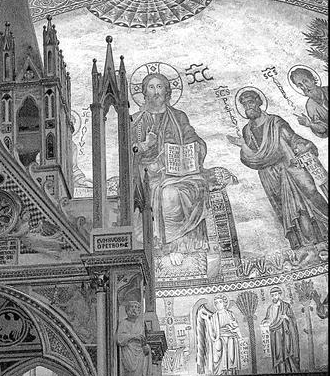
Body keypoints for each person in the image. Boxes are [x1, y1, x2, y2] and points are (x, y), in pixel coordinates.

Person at [228, 89, 328, 250]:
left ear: (259, 102)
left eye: (251, 102)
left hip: (289, 168)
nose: (248, 106)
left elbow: (292, 138)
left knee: (308, 196)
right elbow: (252, 158)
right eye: (244, 104)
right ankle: (304, 245)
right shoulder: (247, 131)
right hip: (269, 175)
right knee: (287, 209)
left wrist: (301, 145)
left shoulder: (275, 122)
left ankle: (323, 235)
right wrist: (243, 146)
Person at [131, 72, 210, 265]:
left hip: (180, 172)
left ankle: (179, 245)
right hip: (148, 172)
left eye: (160, 87)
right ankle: (166, 247)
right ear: (144, 92)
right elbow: (128, 151)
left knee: (181, 190)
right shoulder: (135, 119)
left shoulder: (178, 116)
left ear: (167, 91)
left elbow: (193, 138)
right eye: (151, 87)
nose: (156, 91)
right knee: (168, 194)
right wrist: (144, 146)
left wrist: (195, 149)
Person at [196, 294, 242, 376]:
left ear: (224, 303)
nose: (218, 304)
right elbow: (212, 330)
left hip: (230, 337)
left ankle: (231, 373)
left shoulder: (230, 314)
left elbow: (236, 326)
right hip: (219, 337)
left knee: (231, 355)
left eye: (220, 302)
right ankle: (221, 373)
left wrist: (232, 328)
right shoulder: (214, 316)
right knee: (218, 351)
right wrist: (207, 320)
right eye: (216, 302)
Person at [116, 298, 150, 376]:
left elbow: (144, 339)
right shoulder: (124, 323)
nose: (135, 310)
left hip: (139, 352)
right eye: (132, 307)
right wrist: (133, 336)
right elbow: (119, 338)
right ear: (127, 310)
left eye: (137, 308)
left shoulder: (140, 325)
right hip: (128, 350)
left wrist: (145, 347)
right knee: (130, 370)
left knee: (137, 373)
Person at [262, 286, 301, 373]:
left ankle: (290, 371)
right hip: (275, 334)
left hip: (285, 333)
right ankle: (280, 371)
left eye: (275, 295)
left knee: (287, 351)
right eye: (272, 295)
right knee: (278, 354)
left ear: (279, 295)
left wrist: (286, 317)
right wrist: (265, 321)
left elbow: (293, 320)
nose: (274, 297)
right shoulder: (270, 308)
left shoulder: (286, 306)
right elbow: (268, 319)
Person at [290, 66, 328, 138]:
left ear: (313, 79)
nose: (305, 87)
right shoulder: (310, 106)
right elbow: (324, 130)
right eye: (300, 85)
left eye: (305, 81)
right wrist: (310, 124)